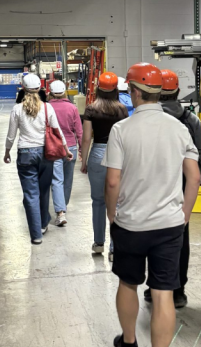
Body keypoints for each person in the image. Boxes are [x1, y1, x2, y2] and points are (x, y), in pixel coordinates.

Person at [104, 62, 201, 347]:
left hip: (130, 224)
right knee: (163, 295)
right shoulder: (179, 128)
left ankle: (129, 345)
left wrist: (112, 215)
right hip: (169, 226)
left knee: (128, 283)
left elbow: (113, 180)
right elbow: (195, 176)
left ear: (133, 93)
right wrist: (184, 213)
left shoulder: (122, 130)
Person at [141, 69, 201, 309]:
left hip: (153, 184)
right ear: (177, 91)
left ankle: (155, 287)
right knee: (180, 236)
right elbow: (199, 160)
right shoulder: (191, 120)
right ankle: (178, 291)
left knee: (151, 235)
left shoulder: (146, 120)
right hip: (183, 184)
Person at [4, 74, 73, 245]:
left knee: (30, 195)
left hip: (25, 154)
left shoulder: (17, 109)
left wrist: (7, 152)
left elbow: (11, 135)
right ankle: (42, 224)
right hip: (46, 154)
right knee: (43, 191)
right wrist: (66, 149)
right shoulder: (48, 108)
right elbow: (57, 131)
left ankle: (36, 235)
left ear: (23, 89)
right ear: (41, 89)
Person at [80, 72, 128, 254]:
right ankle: (114, 248)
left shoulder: (91, 109)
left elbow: (86, 138)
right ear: (116, 89)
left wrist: (84, 161)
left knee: (98, 201)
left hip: (98, 153)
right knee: (116, 202)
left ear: (98, 89)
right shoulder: (122, 110)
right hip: (118, 155)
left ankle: (98, 243)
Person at [48, 80, 83, 226]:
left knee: (57, 180)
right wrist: (81, 149)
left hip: (54, 148)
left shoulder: (47, 107)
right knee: (67, 180)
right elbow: (79, 131)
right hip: (71, 148)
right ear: (64, 91)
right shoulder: (72, 108)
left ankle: (60, 211)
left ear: (50, 92)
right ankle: (64, 207)